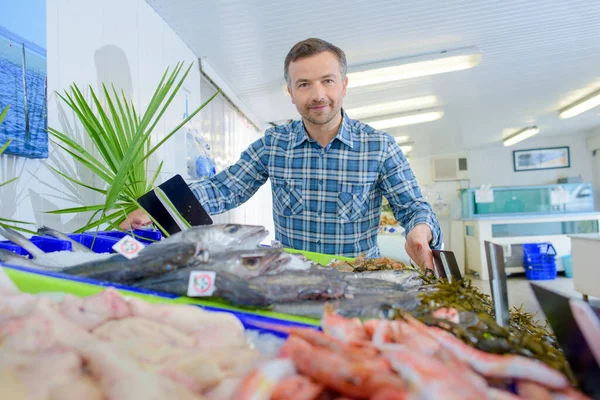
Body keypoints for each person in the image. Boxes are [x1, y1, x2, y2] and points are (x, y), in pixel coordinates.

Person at [121, 38, 442, 269]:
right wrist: (160, 206)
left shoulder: (380, 146)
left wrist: (420, 230)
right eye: (304, 84)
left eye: (327, 81)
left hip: (359, 280)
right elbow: (225, 188)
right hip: (291, 276)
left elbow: (413, 206)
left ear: (344, 85)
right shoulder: (274, 143)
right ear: (290, 92)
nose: (318, 95)